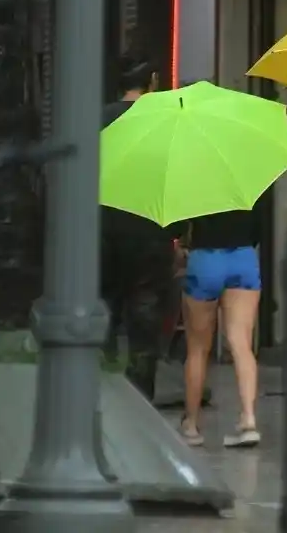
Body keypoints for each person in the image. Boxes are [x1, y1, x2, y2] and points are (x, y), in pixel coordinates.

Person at [101, 52, 181, 401]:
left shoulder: (95, 120)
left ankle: (100, 394)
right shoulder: (165, 123)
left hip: (100, 230)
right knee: (144, 319)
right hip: (149, 231)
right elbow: (175, 179)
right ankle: (140, 400)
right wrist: (178, 232)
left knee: (102, 311)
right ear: (151, 82)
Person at [178, 205, 264, 448]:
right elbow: (260, 226)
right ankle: (248, 420)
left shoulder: (191, 176)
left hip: (205, 257)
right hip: (243, 257)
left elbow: (177, 226)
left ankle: (191, 424)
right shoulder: (244, 175)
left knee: (197, 348)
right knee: (241, 344)